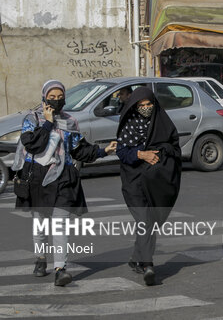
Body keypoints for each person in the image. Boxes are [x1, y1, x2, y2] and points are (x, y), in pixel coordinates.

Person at [12, 80, 116, 286]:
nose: (57, 101)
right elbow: (33, 145)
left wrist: (103, 151)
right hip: (38, 179)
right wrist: (49, 123)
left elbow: (78, 150)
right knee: (40, 225)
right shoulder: (32, 120)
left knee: (60, 226)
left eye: (60, 97)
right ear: (43, 97)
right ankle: (41, 258)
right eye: (52, 97)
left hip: (64, 179)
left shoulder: (70, 122)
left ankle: (61, 269)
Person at [116, 86, 182, 286]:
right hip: (134, 181)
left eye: (149, 104)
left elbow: (174, 147)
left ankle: (136, 257)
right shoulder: (128, 125)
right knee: (144, 220)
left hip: (157, 181)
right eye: (141, 105)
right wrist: (141, 154)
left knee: (151, 221)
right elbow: (122, 152)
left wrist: (160, 151)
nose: (145, 108)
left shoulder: (162, 123)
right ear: (135, 107)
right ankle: (147, 265)